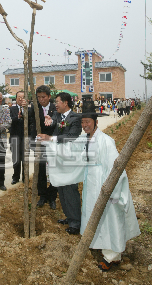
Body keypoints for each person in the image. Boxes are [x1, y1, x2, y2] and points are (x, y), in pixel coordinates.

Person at [45, 101, 140, 271]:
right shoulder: (85, 139)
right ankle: (100, 244)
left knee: (109, 217)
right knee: (94, 215)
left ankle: (113, 255)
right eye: (82, 122)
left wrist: (114, 191)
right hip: (91, 184)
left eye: (87, 122)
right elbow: (70, 151)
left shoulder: (106, 141)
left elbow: (115, 168)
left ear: (96, 122)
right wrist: (51, 142)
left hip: (105, 186)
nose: (84, 125)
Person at [41, 92, 82, 234]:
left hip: (70, 160)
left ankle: (76, 223)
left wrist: (51, 138)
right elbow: (52, 122)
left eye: (57, 102)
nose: (55, 104)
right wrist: (49, 120)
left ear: (65, 103)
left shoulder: (76, 117)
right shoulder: (57, 116)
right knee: (62, 189)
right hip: (59, 159)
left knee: (70, 190)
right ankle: (69, 217)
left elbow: (71, 136)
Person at [29, 85, 57, 209]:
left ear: (49, 96)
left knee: (53, 169)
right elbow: (30, 123)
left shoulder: (55, 108)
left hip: (52, 143)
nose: (41, 99)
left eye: (43, 97)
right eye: (39, 97)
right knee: (40, 169)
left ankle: (52, 196)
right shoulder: (34, 108)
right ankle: (42, 195)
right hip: (39, 144)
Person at [9, 91, 27, 184]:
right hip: (14, 137)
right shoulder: (11, 109)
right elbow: (10, 120)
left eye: (23, 97)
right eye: (19, 97)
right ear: (16, 99)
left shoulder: (29, 109)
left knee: (24, 158)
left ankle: (25, 177)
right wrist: (18, 117)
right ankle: (15, 177)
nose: (20, 99)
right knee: (16, 159)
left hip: (25, 138)